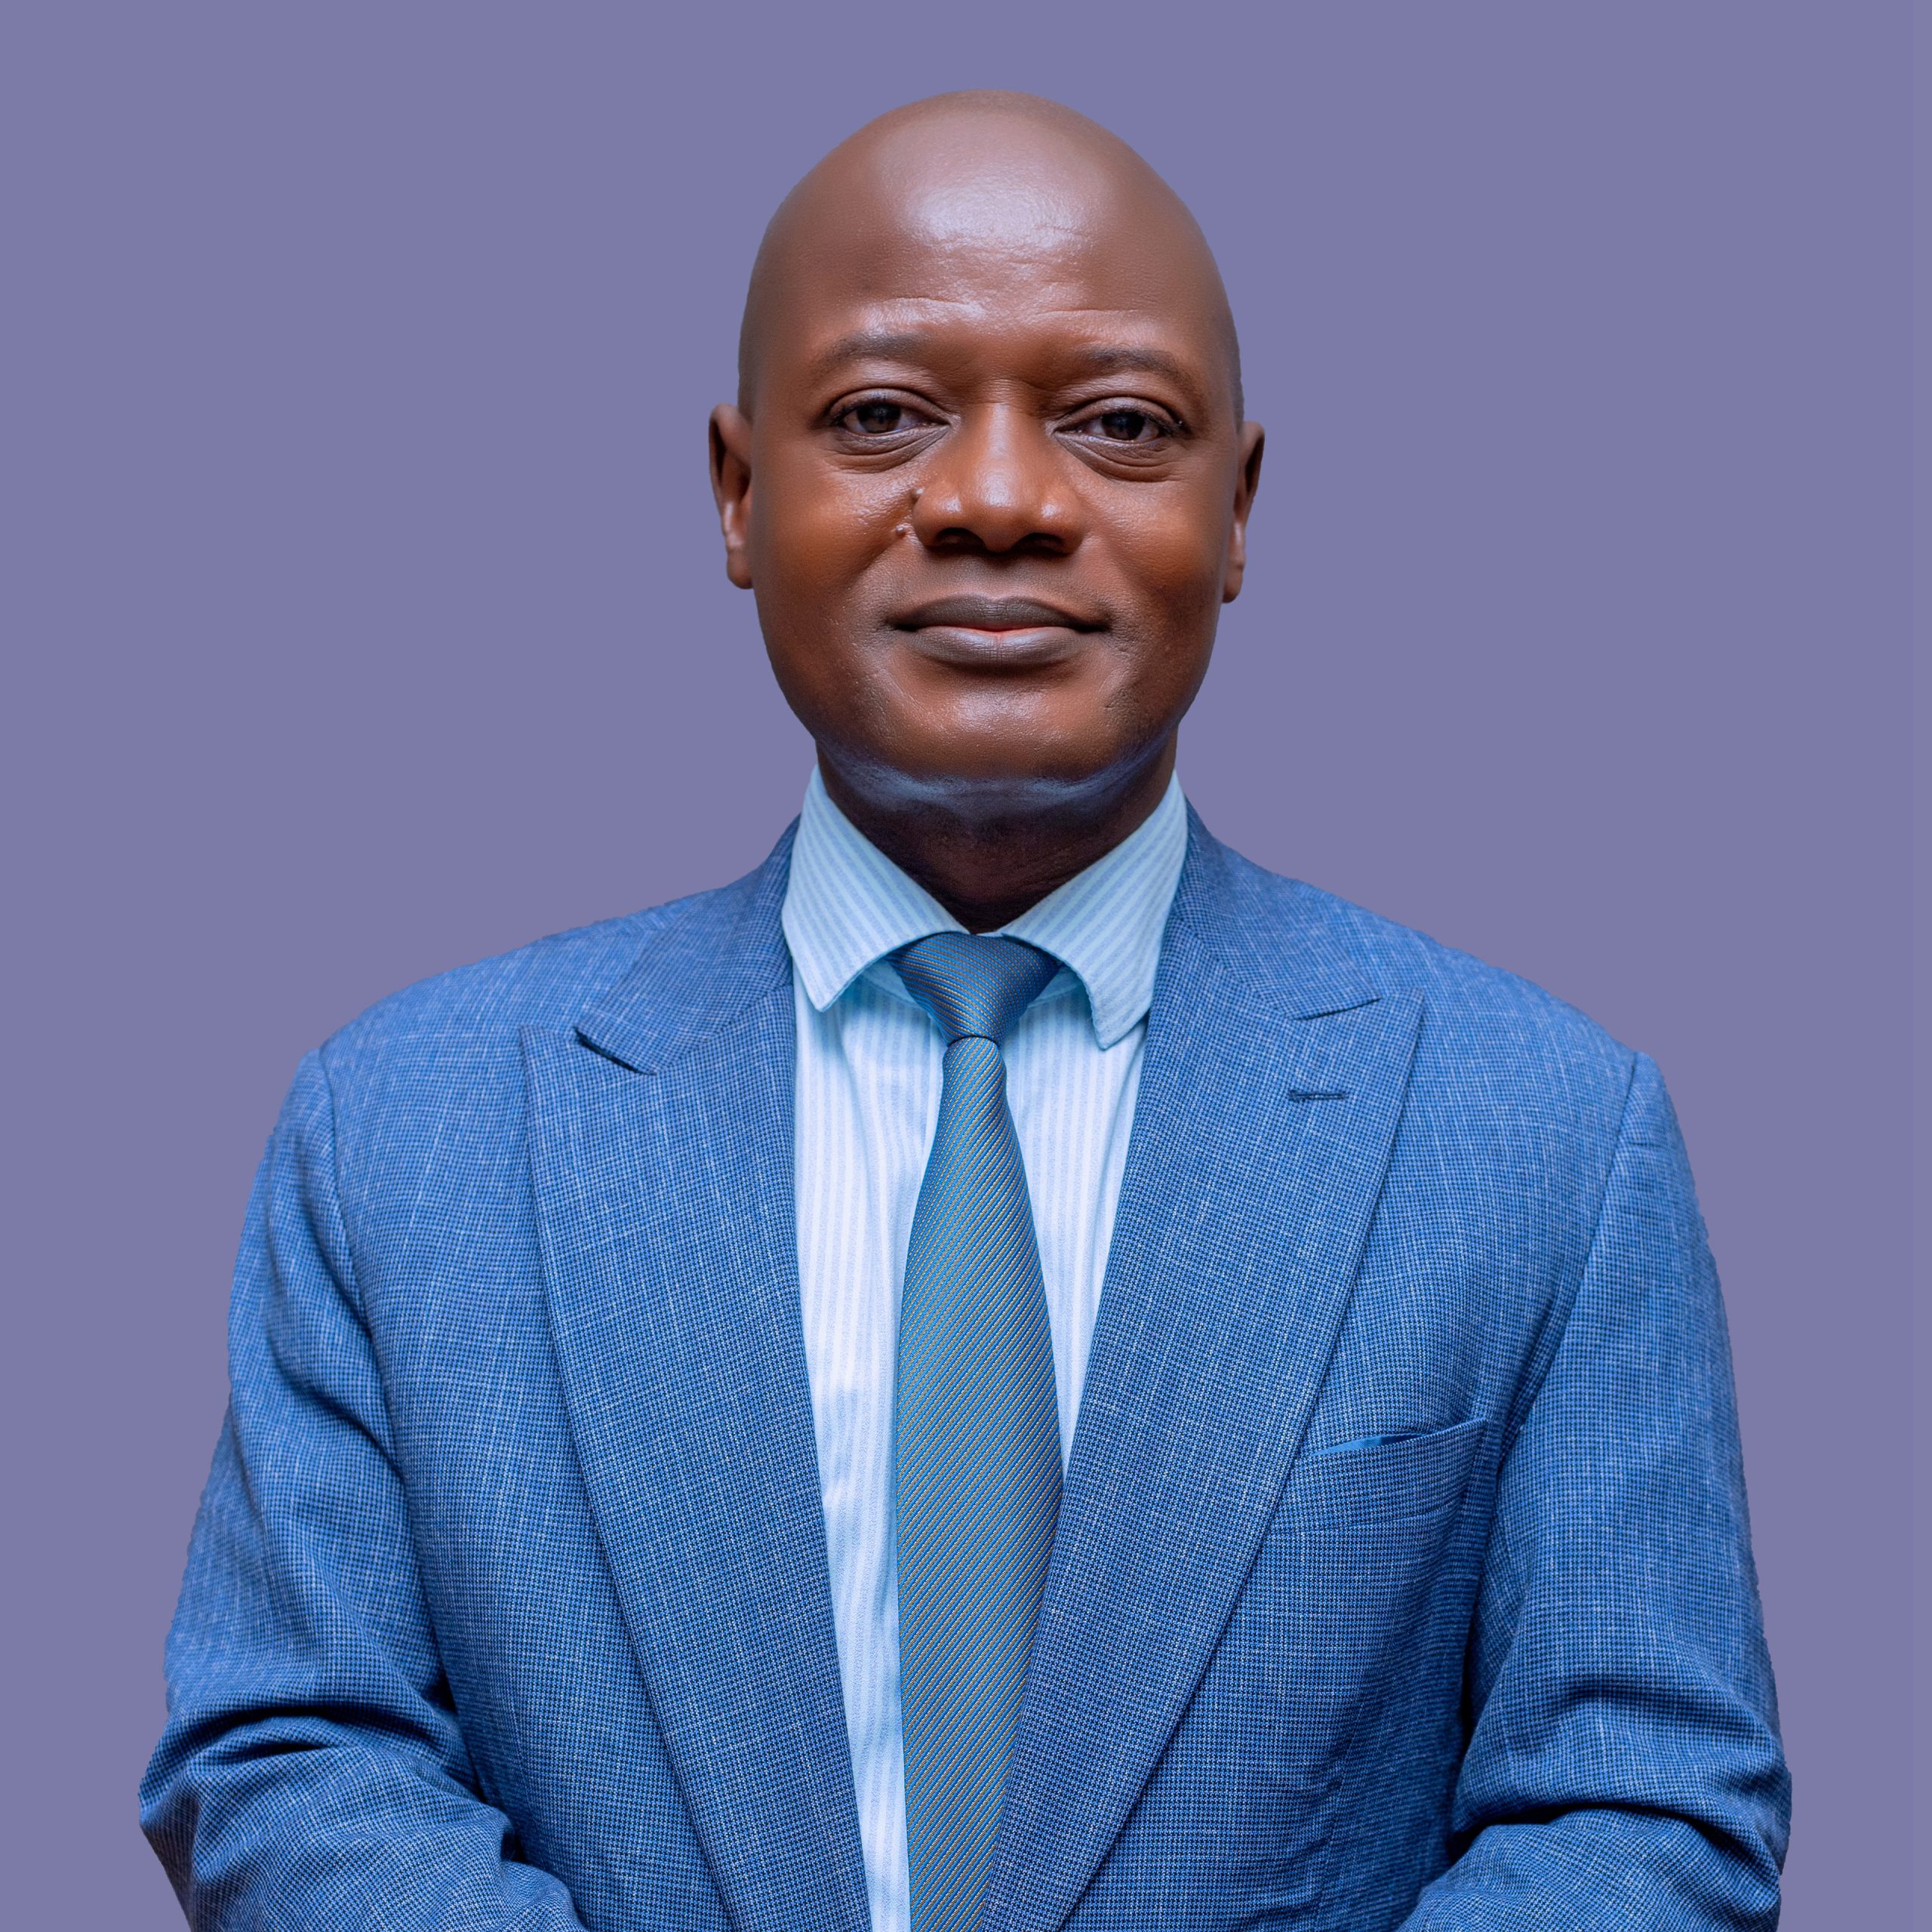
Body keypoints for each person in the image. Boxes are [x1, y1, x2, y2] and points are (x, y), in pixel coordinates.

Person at [142, 91, 1789, 1932]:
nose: (999, 500)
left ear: (1238, 511)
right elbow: (289, 1753)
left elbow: (1641, 1806)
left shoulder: (1548, 1134)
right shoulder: (402, 1132)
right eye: (879, 414)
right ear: (735, 493)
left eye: (1118, 424)